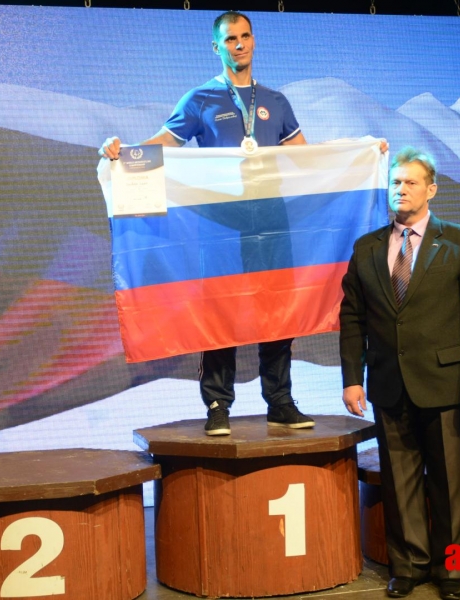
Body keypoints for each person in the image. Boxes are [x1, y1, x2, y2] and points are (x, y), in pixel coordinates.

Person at [99, 10, 314, 437]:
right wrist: (120, 152)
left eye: (245, 36)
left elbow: (308, 156)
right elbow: (164, 143)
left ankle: (280, 402)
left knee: (277, 309)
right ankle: (218, 403)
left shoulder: (275, 101)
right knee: (221, 310)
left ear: (254, 41)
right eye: (230, 38)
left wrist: (363, 151)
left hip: (271, 220)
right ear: (216, 47)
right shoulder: (200, 99)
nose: (239, 44)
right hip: (220, 223)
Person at [339, 147, 460, 600]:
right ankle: (407, 567)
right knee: (399, 480)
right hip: (389, 384)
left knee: (449, 482)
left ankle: (454, 571)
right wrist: (353, 378)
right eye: (395, 182)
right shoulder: (367, 247)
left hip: (447, 385)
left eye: (410, 182)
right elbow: (352, 318)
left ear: (431, 189)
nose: (401, 189)